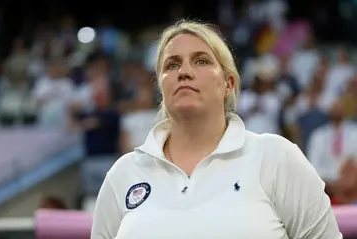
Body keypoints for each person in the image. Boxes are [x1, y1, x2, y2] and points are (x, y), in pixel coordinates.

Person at [91, 20, 342, 239]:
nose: (185, 72)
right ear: (161, 86)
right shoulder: (123, 174)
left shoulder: (276, 157)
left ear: (228, 84)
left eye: (201, 61)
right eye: (172, 65)